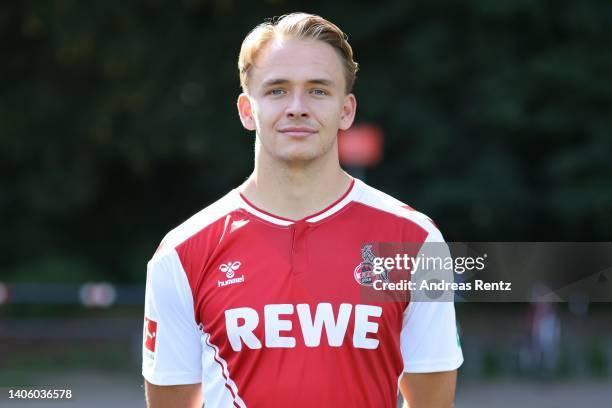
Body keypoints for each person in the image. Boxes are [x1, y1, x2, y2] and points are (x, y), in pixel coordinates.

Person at [142, 12, 463, 408]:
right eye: (277, 90)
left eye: (318, 91)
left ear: (346, 110)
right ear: (246, 109)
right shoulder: (182, 253)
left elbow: (433, 404)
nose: (297, 107)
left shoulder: (414, 241)